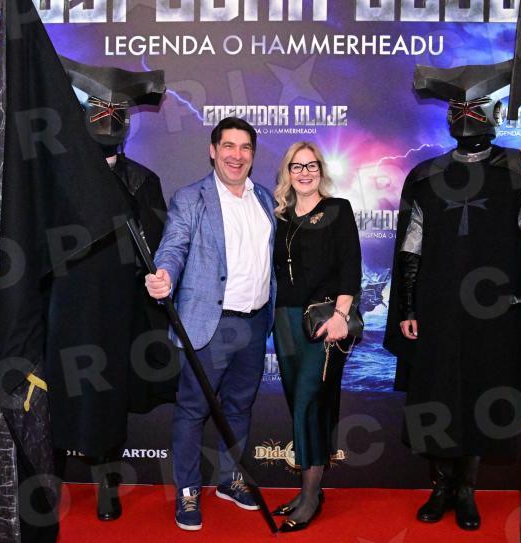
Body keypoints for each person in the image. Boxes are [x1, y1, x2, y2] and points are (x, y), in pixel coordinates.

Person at [384, 62, 521, 531]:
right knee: (435, 396)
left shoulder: (517, 168)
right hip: (437, 308)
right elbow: (411, 246)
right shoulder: (426, 175)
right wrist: (408, 305)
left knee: (479, 397)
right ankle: (440, 487)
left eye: (475, 108)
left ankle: (466, 490)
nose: (466, 115)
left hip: (493, 311)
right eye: (459, 108)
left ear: (491, 114)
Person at [52, 58, 175, 522]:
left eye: (114, 113)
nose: (106, 121)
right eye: (99, 111)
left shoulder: (142, 181)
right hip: (63, 310)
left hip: (115, 313)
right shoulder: (57, 179)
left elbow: (157, 248)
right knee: (57, 394)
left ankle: (107, 483)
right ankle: (48, 481)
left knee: (107, 399)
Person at [145, 117, 276, 531]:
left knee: (239, 406)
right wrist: (164, 274)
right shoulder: (191, 198)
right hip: (210, 325)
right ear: (213, 150)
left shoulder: (264, 198)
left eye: (245, 147)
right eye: (229, 146)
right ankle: (187, 491)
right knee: (192, 410)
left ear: (253, 155)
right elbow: (174, 246)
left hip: (255, 323)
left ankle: (230, 479)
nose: (237, 155)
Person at [270, 141, 362, 532]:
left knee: (311, 401)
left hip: (323, 320)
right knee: (298, 402)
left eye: (311, 165)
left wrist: (342, 315)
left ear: (321, 170)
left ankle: (310, 496)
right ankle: (309, 490)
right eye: (297, 166)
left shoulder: (338, 209)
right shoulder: (279, 215)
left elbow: (351, 266)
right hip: (284, 320)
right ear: (287, 172)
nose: (304, 173)